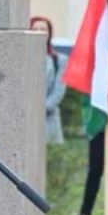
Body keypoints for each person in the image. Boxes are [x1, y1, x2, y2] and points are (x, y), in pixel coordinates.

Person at [31, 15, 68, 145]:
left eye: (43, 29)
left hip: (49, 120)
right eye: (35, 29)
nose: (39, 33)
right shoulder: (23, 60)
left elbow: (58, 91)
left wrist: (38, 109)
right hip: (26, 121)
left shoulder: (59, 60)